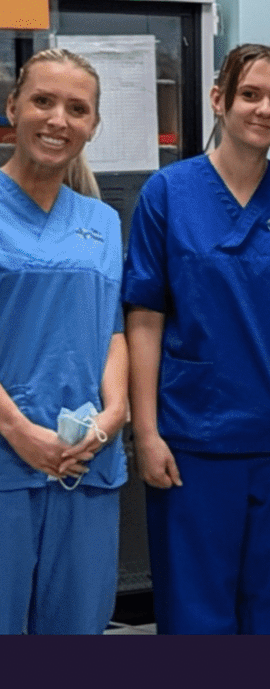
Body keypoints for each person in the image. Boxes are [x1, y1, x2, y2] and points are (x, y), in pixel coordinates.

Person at [124, 44, 270, 634]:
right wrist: (147, 432)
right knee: (195, 610)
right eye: (250, 94)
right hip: (193, 436)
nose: (264, 109)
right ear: (219, 99)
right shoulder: (168, 193)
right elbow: (145, 316)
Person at [0, 49, 127, 635]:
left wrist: (114, 414)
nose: (58, 120)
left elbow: (112, 328)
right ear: (13, 107)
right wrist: (18, 431)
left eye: (77, 109)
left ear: (93, 125)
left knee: (77, 632)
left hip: (86, 463)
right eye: (43, 102)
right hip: (7, 462)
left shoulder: (102, 222)